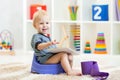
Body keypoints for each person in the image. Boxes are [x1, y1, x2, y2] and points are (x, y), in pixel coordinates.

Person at [31, 10, 81, 76]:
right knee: (63, 55)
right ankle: (69, 72)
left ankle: (69, 69)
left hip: (50, 56)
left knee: (69, 55)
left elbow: (51, 49)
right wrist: (49, 43)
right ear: (35, 25)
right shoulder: (36, 36)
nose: (44, 25)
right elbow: (39, 46)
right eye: (41, 23)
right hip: (44, 59)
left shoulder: (47, 36)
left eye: (47, 23)